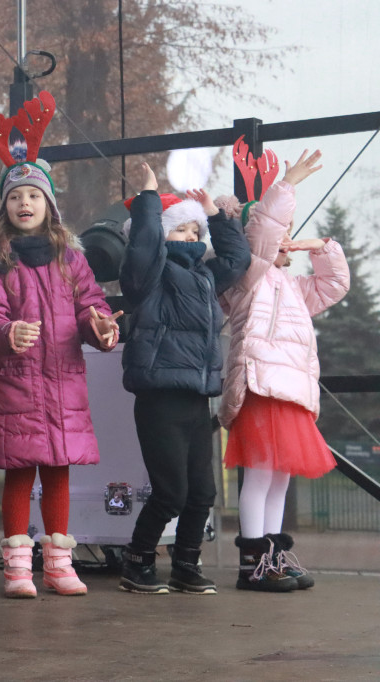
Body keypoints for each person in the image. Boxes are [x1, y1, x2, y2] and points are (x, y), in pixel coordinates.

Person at [0, 158, 121, 599]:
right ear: (5, 208)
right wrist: (7, 332)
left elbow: (91, 307)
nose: (25, 202)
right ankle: (18, 569)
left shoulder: (72, 260)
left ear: (49, 205)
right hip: (15, 383)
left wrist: (102, 328)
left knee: (58, 469)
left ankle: (58, 566)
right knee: (20, 472)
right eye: (15, 196)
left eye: (34, 195)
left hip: (62, 384)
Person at [216, 150, 349, 592]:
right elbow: (265, 231)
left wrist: (319, 246)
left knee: (279, 478)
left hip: (290, 391)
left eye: (290, 232)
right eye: (281, 232)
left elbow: (335, 284)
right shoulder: (248, 278)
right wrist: (287, 183)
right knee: (260, 474)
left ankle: (271, 559)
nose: (285, 238)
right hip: (261, 386)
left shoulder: (294, 288)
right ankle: (251, 565)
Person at [117, 162, 251, 595]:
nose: (192, 238)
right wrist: (149, 198)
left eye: (196, 232)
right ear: (162, 233)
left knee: (202, 493)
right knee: (170, 492)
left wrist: (215, 216)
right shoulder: (149, 277)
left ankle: (186, 565)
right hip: (159, 397)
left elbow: (238, 259)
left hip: (197, 397)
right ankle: (137, 561)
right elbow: (143, 249)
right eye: (181, 230)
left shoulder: (206, 277)